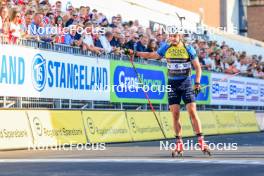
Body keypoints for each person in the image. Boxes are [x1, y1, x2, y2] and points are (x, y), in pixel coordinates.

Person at [126, 33, 210, 156]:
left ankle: (201, 142)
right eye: (170, 36)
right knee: (175, 115)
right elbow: (152, 55)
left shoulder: (188, 48)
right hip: (172, 85)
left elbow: (198, 67)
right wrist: (135, 53)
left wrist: (197, 83)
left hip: (186, 84)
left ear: (179, 37)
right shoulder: (166, 47)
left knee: (192, 112)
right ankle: (179, 143)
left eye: (174, 36)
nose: (172, 39)